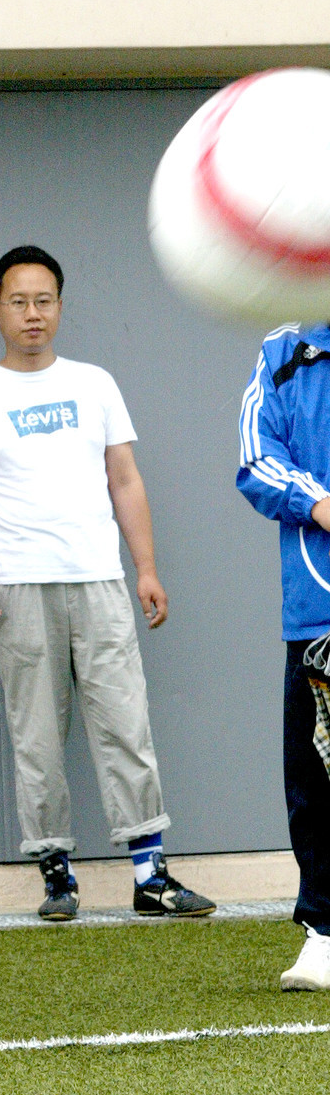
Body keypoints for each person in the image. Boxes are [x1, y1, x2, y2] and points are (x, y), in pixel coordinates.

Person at [0, 244, 214, 922]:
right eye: (19, 302)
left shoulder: (95, 385)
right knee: (36, 735)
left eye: (44, 301)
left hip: (100, 580)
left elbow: (125, 480)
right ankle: (57, 875)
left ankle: (150, 875)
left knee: (125, 723)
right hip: (18, 587)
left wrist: (146, 568)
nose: (33, 314)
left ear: (60, 306)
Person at [237, 322, 330, 991]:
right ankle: (325, 933)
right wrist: (318, 502)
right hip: (319, 607)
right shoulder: (283, 351)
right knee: (316, 778)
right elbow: (255, 459)